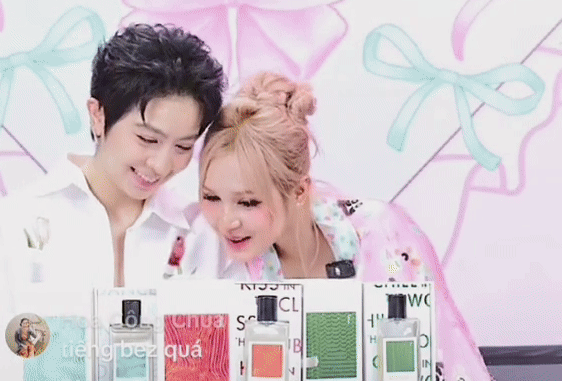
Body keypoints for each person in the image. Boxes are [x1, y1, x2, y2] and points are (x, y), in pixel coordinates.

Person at [197, 71, 493, 381]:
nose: (227, 221)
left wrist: (390, 272)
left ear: (298, 191)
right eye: (211, 197)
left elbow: (410, 295)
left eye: (247, 202)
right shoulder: (220, 262)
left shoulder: (380, 236)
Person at [0, 24, 225, 289]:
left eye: (182, 147)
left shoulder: (203, 233)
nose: (160, 165)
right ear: (98, 115)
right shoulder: (13, 224)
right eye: (147, 139)